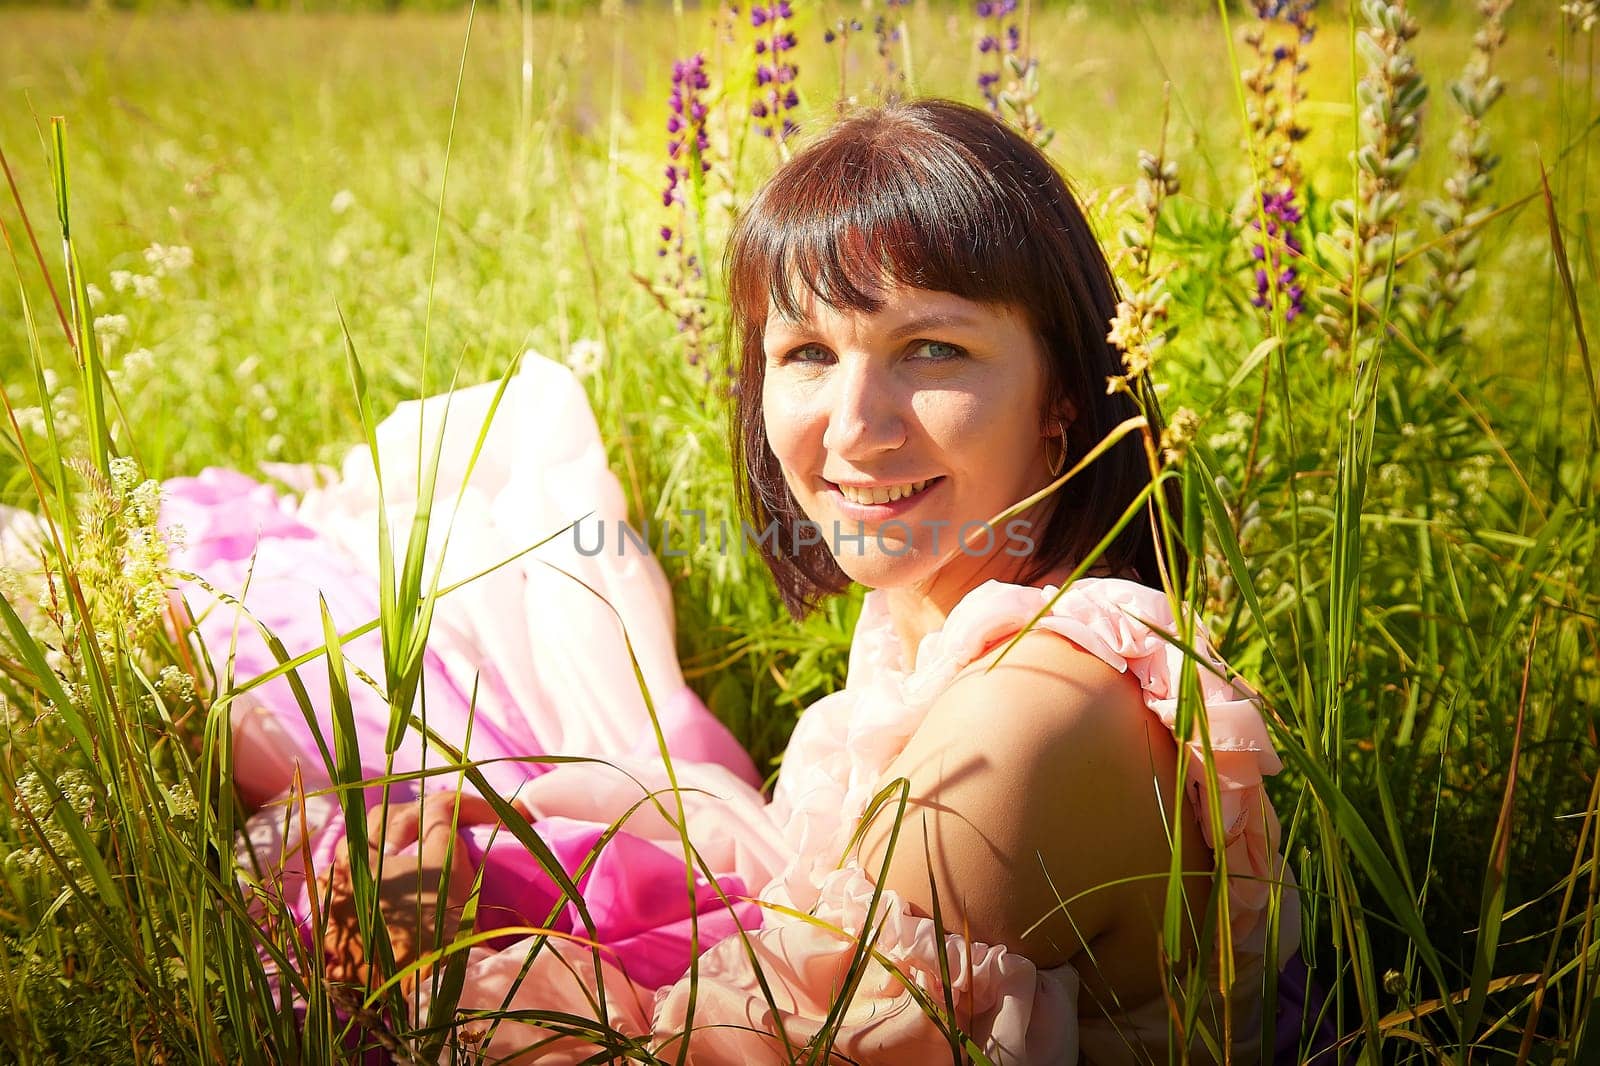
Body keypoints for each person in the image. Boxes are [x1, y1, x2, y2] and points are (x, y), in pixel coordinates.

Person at [193, 96, 1300, 1064]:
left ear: (1063, 400)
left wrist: (435, 965)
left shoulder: (1024, 728)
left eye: (934, 350)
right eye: (808, 353)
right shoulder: (949, 621)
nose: (854, 430)